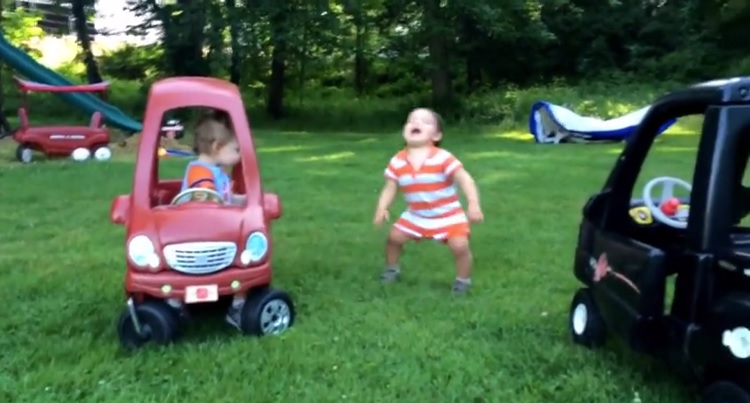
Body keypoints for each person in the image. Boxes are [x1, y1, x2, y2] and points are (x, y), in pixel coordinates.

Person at [373, 108, 484, 294]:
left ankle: (463, 281)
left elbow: (465, 179)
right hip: (416, 215)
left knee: (460, 246)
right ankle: (391, 269)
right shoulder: (397, 161)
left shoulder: (443, 157)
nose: (416, 123)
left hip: (448, 215)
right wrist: (382, 207)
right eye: (411, 120)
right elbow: (390, 187)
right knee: (394, 239)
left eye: (424, 121)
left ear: (436, 135)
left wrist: (473, 203)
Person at [171, 110, 247, 328]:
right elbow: (208, 204)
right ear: (216, 147)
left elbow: (223, 197)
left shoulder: (216, 171)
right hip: (196, 235)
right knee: (245, 254)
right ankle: (237, 305)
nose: (239, 155)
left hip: (209, 230)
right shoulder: (200, 173)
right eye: (236, 150)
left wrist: (242, 200)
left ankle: (237, 302)